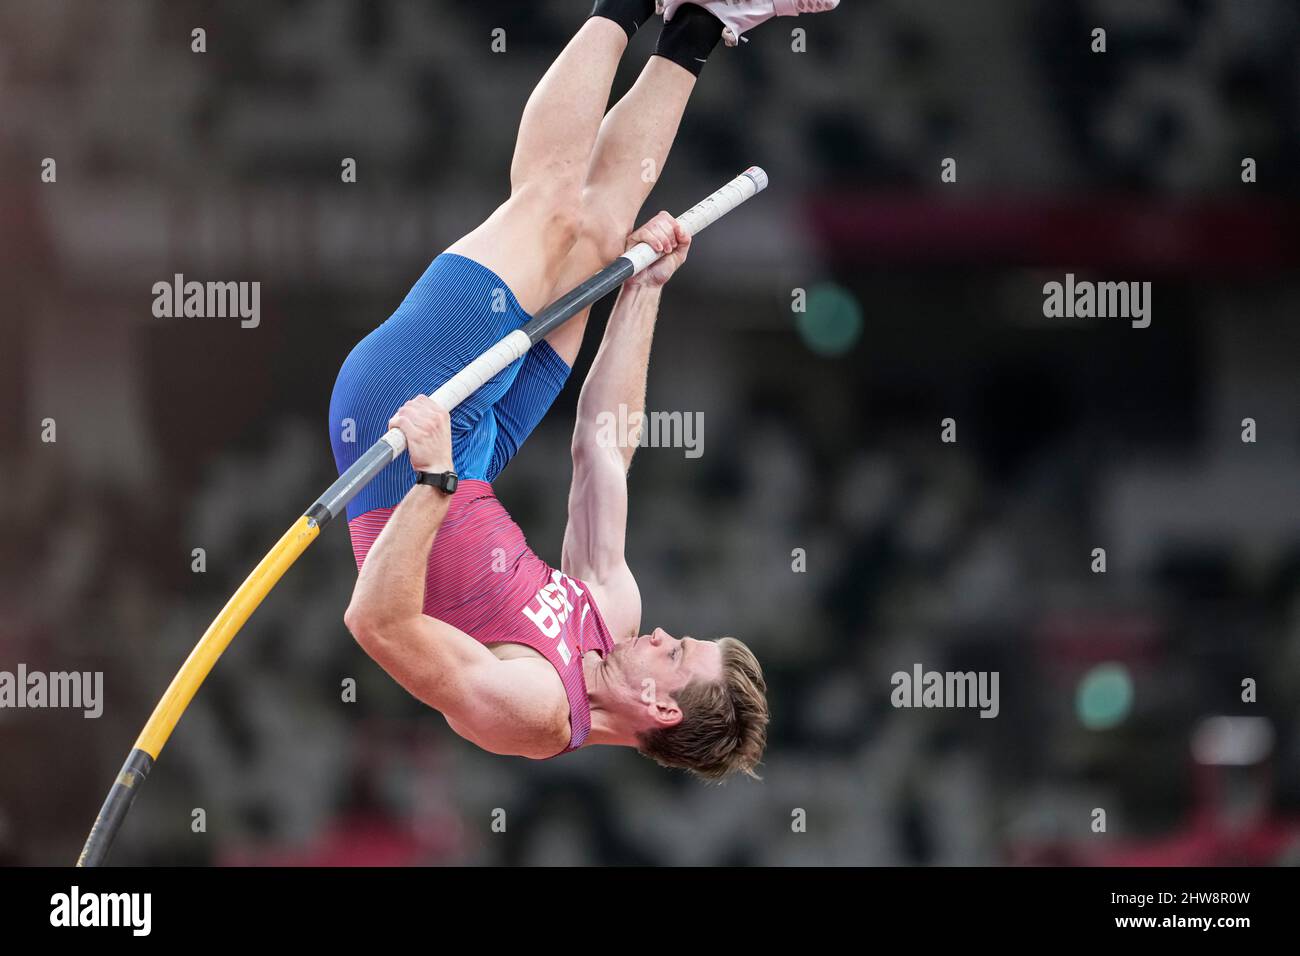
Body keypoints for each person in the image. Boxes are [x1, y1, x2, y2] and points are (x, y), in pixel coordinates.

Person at [332, 1, 837, 779]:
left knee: (551, 208)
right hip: (474, 454)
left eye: (676, 654)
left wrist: (433, 484)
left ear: (661, 709)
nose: (665, 634)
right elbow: (605, 445)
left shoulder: (537, 711)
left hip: (403, 434)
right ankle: (698, 27)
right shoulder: (613, 619)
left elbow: (376, 622)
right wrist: (643, 291)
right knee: (604, 237)